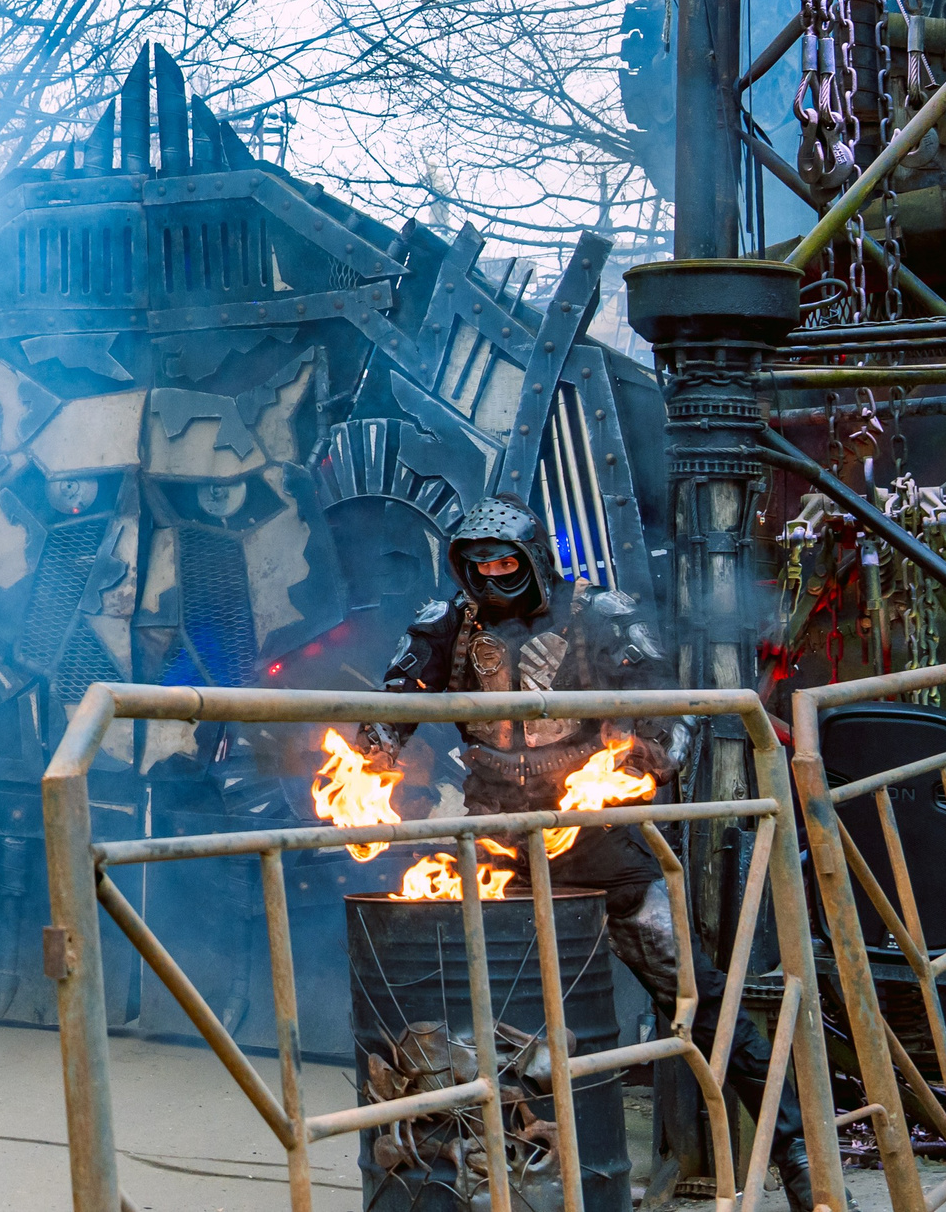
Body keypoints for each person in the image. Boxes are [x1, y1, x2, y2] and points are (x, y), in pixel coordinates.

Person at [359, 496, 847, 1212]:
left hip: (595, 836)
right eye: (478, 567)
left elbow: (668, 715)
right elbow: (391, 708)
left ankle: (800, 1156)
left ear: (535, 559)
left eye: (505, 564)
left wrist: (637, 760)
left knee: (691, 986)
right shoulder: (445, 625)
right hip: (492, 839)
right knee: (469, 1004)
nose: (492, 579)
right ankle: (480, 1175)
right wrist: (377, 760)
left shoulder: (602, 615)